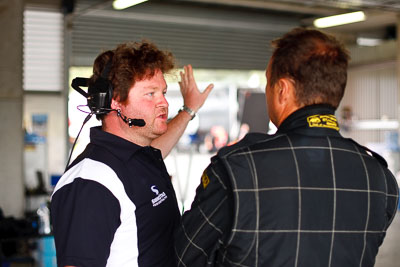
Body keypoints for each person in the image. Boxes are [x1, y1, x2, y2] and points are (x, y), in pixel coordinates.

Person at [175, 28, 399, 267]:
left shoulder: (238, 169)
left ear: (283, 90)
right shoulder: (380, 178)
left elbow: (185, 255)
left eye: (268, 81)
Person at [51, 41, 213, 267]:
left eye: (163, 92)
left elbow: (157, 148)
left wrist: (189, 110)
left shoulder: (139, 157)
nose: (164, 102)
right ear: (114, 100)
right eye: (150, 94)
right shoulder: (90, 183)